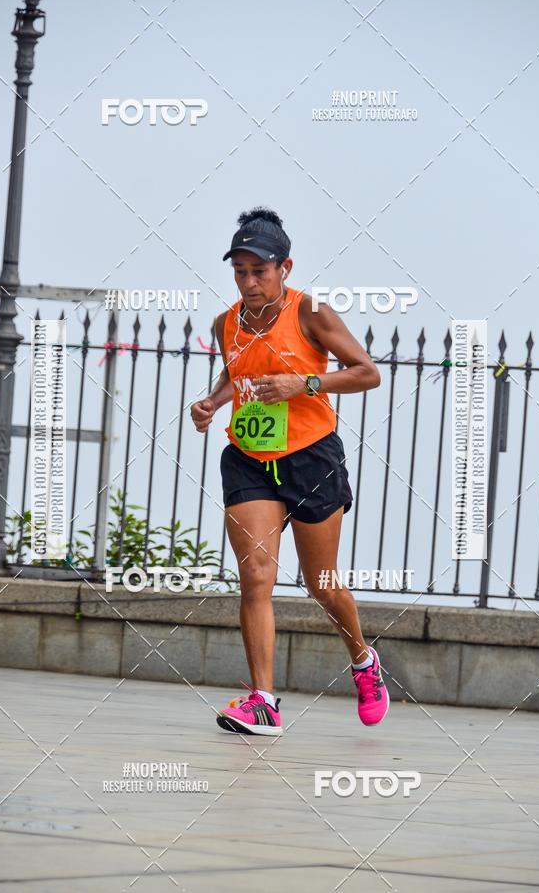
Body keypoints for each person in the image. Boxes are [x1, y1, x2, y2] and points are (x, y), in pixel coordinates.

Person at [190, 207, 389, 736]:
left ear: (285, 268)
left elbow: (367, 373)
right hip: (250, 458)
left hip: (311, 459)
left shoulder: (312, 313)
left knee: (322, 585)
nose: (250, 281)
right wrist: (211, 402)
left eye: (260, 270)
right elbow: (238, 374)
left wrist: (306, 384)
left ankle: (363, 661)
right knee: (256, 577)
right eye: (240, 271)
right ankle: (263, 702)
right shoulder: (225, 321)